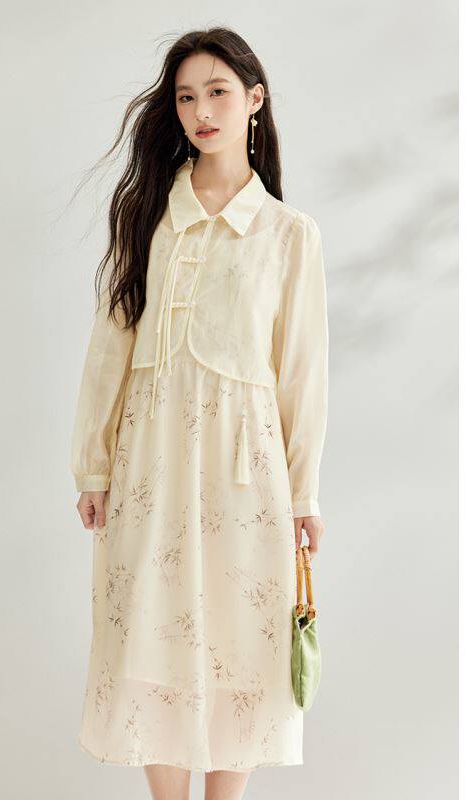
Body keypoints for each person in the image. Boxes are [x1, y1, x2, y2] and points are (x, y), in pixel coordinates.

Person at [70, 27, 329, 800]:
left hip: (246, 470)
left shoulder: (289, 235)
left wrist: (305, 494)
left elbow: (302, 374)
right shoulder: (147, 216)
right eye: (187, 97)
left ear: (254, 100)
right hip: (148, 462)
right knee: (148, 632)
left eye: (218, 92)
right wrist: (92, 465)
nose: (201, 112)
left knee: (241, 641)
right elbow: (109, 348)